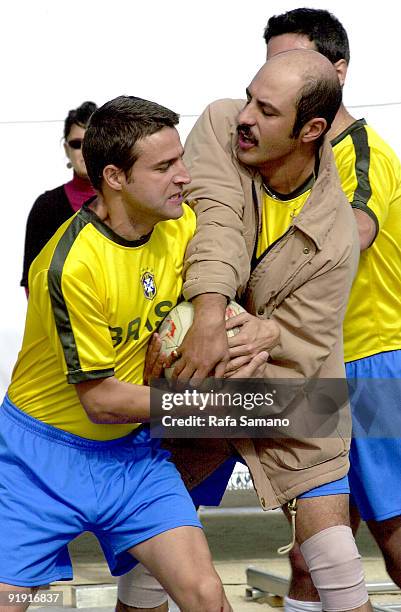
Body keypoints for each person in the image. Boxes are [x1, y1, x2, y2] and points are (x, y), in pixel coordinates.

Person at [118, 50, 372, 612]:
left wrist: (268, 337)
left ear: (310, 130)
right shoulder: (219, 123)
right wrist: (211, 314)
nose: (246, 116)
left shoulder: (337, 230)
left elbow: (306, 341)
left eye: (267, 110)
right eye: (250, 96)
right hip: (203, 377)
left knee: (332, 561)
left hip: (291, 390)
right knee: (158, 550)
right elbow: (218, 221)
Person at [0, 95, 249, 612]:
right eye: (164, 167)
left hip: (132, 461)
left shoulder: (180, 225)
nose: (183, 176)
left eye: (180, 159)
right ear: (114, 177)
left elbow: (211, 301)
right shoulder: (71, 265)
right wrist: (221, 404)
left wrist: (247, 328)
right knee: (15, 599)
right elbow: (102, 401)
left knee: (206, 595)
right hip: (39, 460)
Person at [260, 9, 401, 612]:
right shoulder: (294, 156)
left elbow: (356, 233)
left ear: (338, 72)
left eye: (294, 61)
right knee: (310, 556)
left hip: (369, 366)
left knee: (395, 539)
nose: (278, 74)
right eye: (271, 63)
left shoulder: (359, 153)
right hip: (312, 371)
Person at [20, 100, 97, 293]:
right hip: (62, 318)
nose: (85, 151)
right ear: (66, 149)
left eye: (91, 142)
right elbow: (33, 281)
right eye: (77, 144)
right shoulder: (46, 207)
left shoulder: (127, 200)